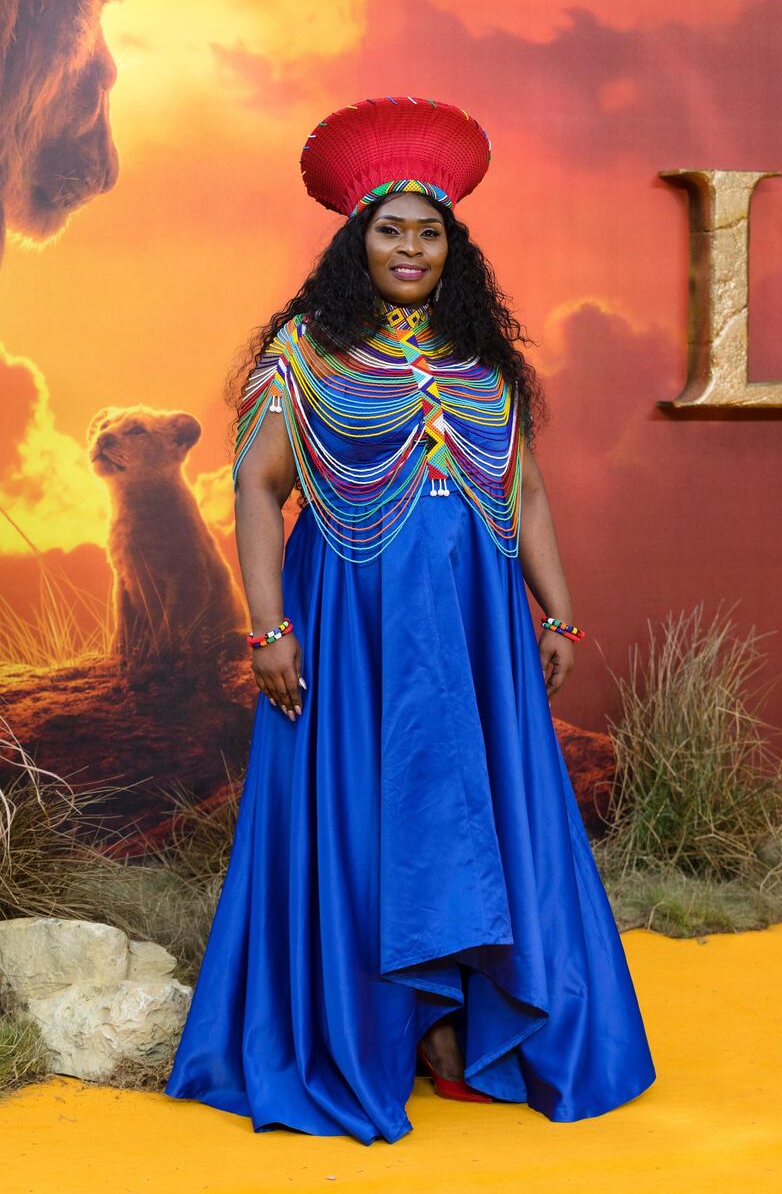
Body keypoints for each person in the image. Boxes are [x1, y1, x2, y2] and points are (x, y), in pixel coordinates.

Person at [164, 95, 656, 1145]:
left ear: (452, 250)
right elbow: (256, 489)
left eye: (429, 232)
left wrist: (559, 620)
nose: (410, 247)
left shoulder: (482, 364)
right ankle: (375, 1031)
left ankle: (459, 1025)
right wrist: (268, 629)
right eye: (390, 229)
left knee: (474, 812)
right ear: (356, 242)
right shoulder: (305, 354)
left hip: (475, 638)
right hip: (347, 635)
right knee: (360, 813)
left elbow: (521, 496)